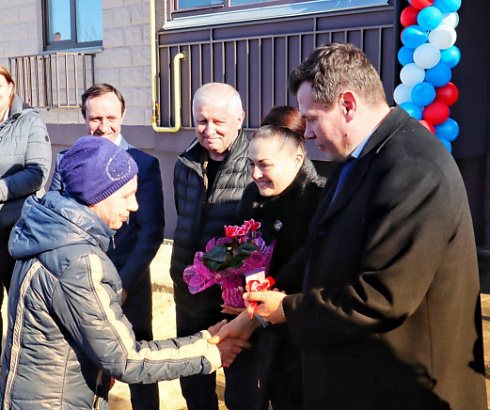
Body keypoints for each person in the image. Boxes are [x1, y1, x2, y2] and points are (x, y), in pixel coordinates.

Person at [216, 43, 487, 409]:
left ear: (347, 105)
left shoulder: (413, 168)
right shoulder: (356, 158)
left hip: (405, 388)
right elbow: (318, 248)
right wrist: (258, 314)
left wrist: (286, 310)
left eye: (311, 119)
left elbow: (380, 298)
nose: (307, 133)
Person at [0, 136, 249, 410]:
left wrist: (201, 339)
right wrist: (208, 352)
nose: (134, 206)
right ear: (97, 195)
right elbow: (126, 358)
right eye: (126, 195)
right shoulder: (77, 260)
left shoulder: (48, 232)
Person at [50, 83, 165, 409]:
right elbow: (58, 219)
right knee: (84, 361)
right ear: (84, 117)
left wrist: (125, 284)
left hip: (131, 282)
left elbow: (150, 232)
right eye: (95, 117)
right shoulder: (65, 162)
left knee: (140, 364)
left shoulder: (144, 165)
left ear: (123, 115)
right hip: (80, 282)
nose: (104, 126)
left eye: (111, 117)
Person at [170, 82, 255, 409]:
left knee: (239, 387)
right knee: (193, 382)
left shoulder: (254, 166)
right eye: (201, 120)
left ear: (239, 119)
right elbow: (184, 219)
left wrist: (208, 269)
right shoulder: (184, 163)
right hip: (187, 294)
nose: (209, 130)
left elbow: (256, 241)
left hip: (229, 301)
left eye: (219, 121)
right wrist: (186, 274)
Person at [233, 106, 324, 409]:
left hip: (300, 333)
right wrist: (237, 287)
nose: (255, 174)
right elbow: (243, 253)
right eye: (250, 164)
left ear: (297, 160)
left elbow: (316, 266)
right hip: (257, 328)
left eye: (265, 165)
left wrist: (271, 295)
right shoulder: (251, 196)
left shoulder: (317, 200)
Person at [0, 63, 51, 353]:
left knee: (20, 305)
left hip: (16, 230)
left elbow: (37, 173)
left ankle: (18, 367)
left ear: (11, 87)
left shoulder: (30, 121)